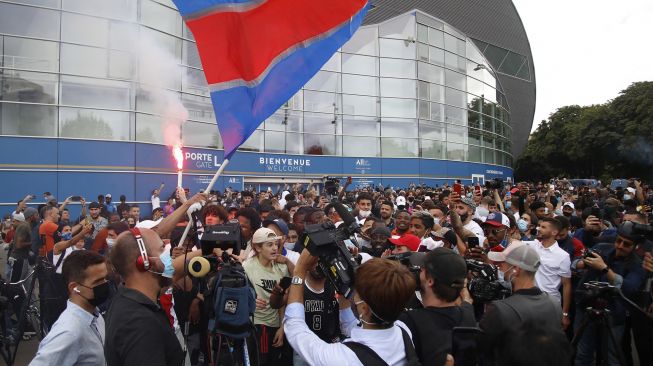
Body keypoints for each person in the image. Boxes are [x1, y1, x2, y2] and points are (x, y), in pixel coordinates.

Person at [284, 251, 418, 366]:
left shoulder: (344, 358)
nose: (353, 296)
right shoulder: (403, 330)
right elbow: (352, 326)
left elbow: (295, 327)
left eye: (356, 293)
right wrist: (343, 282)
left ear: (364, 308)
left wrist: (299, 270)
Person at [105, 227, 183, 366]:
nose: (168, 256)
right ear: (144, 262)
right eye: (161, 250)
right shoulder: (139, 323)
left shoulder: (126, 300)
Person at [573, 221, 646, 366]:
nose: (620, 246)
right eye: (619, 241)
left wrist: (604, 269)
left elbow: (629, 287)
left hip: (613, 315)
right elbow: (574, 264)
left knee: (612, 357)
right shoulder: (602, 248)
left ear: (635, 246)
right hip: (586, 308)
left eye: (626, 244)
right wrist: (582, 263)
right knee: (582, 354)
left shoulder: (638, 265)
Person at [480, 242, 562, 358]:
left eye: (503, 263)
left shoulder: (501, 309)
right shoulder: (554, 304)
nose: (499, 267)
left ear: (516, 270)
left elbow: (483, 347)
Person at [398, 248, 475, 365]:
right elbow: (467, 302)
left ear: (430, 280)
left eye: (422, 270)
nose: (418, 273)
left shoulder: (409, 321)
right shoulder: (468, 315)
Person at [30, 251, 108, 366]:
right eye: (98, 281)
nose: (105, 284)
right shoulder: (68, 332)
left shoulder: (94, 314)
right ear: (74, 288)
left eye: (105, 278)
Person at [243, 228, 291, 365]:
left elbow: (283, 301)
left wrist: (281, 328)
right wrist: (250, 300)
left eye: (276, 244)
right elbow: (239, 295)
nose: (275, 248)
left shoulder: (281, 268)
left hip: (276, 325)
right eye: (269, 245)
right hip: (257, 325)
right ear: (258, 247)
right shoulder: (247, 267)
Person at [523, 217, 572, 330]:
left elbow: (566, 285)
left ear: (554, 232)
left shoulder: (563, 256)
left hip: (550, 305)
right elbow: (514, 242)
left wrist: (565, 313)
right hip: (530, 302)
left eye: (543, 227)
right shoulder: (534, 246)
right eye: (540, 226)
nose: (539, 229)